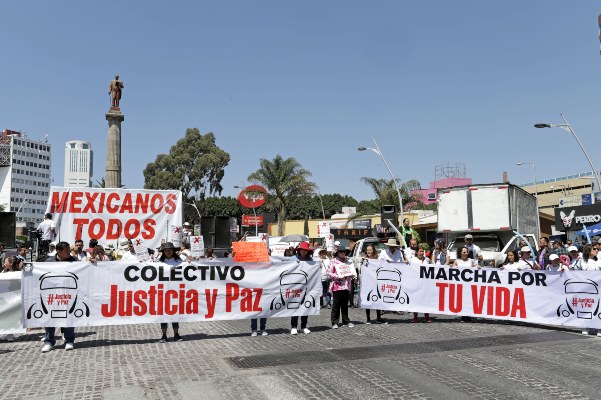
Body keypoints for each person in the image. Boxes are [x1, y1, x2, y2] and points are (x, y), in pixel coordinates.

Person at [43, 242, 77, 352]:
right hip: (52, 295)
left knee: (68, 317)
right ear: (58, 251)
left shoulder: (74, 261)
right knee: (49, 318)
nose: (69, 252)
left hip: (68, 295)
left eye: (69, 250)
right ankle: (49, 342)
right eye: (66, 251)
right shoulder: (49, 262)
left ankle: (69, 340)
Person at [156, 242, 185, 342]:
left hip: (175, 292)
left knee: (175, 313)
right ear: (163, 252)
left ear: (173, 251)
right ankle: (164, 335)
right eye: (166, 250)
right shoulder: (158, 263)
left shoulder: (180, 262)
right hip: (162, 292)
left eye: (170, 250)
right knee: (163, 314)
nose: (168, 252)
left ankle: (176, 334)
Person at [328, 245, 355, 329]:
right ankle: (334, 322)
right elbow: (328, 273)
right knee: (336, 305)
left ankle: (346, 321)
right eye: (341, 252)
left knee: (344, 304)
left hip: (346, 285)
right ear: (337, 253)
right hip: (337, 285)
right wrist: (337, 276)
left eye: (344, 252)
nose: (343, 253)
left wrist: (352, 275)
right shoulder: (333, 261)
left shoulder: (348, 261)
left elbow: (352, 271)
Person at [290, 242, 314, 335]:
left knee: (305, 306)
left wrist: (318, 266)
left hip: (307, 286)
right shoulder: (293, 259)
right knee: (295, 305)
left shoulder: (310, 260)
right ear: (299, 250)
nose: (304, 252)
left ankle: (303, 326)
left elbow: (313, 271)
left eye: (306, 250)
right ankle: (294, 326)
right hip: (295, 286)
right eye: (302, 250)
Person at [363, 244, 386, 324]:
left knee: (378, 299)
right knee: (368, 299)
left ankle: (378, 317)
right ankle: (368, 319)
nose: (369, 251)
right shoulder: (364, 259)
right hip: (367, 282)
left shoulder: (377, 259)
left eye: (370, 250)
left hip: (376, 282)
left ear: (373, 251)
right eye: (367, 250)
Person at [410, 248, 432, 323]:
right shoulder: (412, 260)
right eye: (420, 251)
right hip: (416, 282)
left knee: (426, 300)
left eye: (423, 251)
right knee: (416, 300)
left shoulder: (427, 260)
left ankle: (427, 316)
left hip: (425, 283)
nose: (421, 253)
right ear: (417, 252)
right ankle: (415, 317)